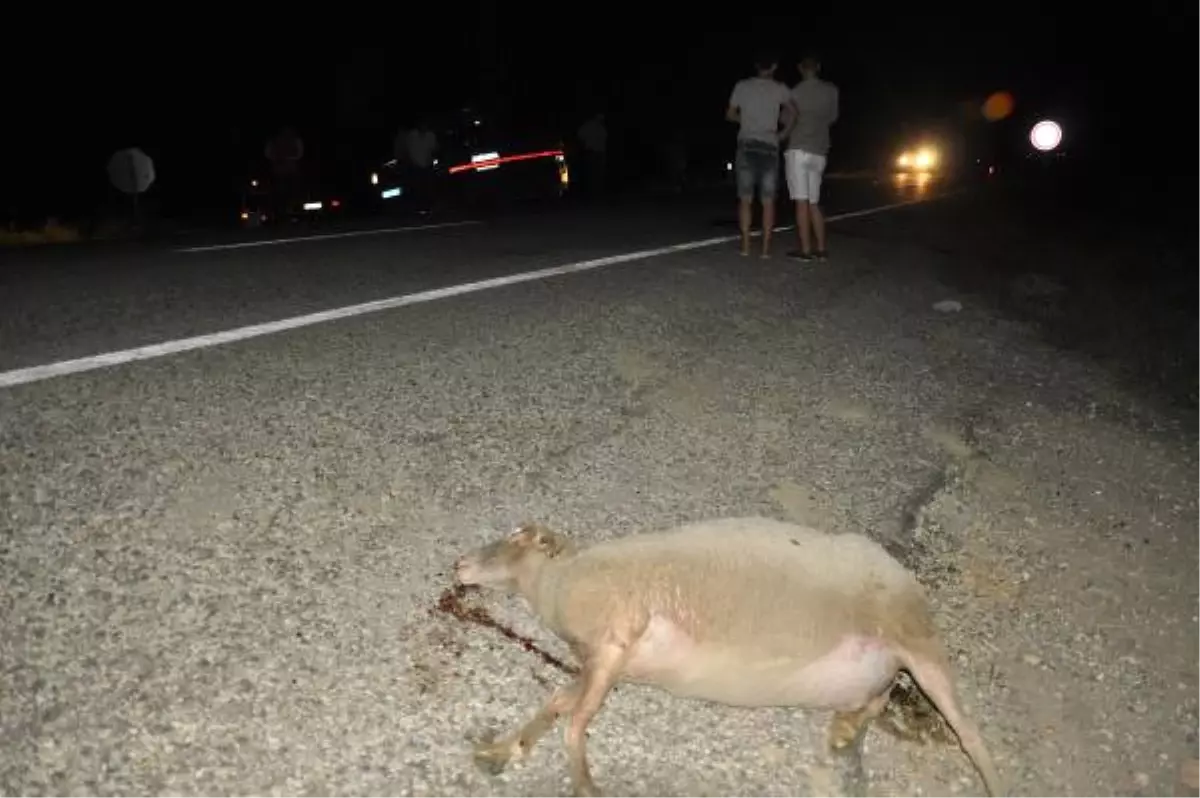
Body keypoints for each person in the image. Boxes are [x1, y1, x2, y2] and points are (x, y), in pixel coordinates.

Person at [726, 52, 795, 258]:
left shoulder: (742, 86)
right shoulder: (780, 88)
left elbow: (729, 114)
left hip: (747, 144)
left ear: (756, 65)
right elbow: (794, 113)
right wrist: (783, 133)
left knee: (745, 199)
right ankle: (765, 249)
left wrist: (747, 122)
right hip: (769, 146)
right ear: (774, 66)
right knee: (768, 200)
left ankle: (746, 247)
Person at [784, 54, 839, 262]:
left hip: (799, 149)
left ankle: (805, 250)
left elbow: (786, 120)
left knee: (801, 201)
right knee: (814, 202)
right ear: (818, 67)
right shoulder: (831, 90)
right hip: (819, 150)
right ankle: (822, 249)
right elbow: (832, 117)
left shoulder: (794, 92)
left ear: (800, 68)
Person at [577, 111, 608, 197]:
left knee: (595, 173)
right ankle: (592, 193)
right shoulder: (591, 125)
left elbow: (580, 135)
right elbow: (580, 135)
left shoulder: (601, 127)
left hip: (598, 153)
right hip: (592, 153)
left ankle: (595, 193)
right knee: (592, 173)